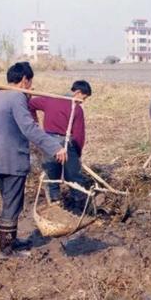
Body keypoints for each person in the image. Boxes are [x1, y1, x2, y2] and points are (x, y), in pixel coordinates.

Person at [0, 62, 66, 257]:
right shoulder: (16, 97)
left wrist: (27, 98)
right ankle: (6, 250)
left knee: (9, 201)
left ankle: (11, 241)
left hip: (0, 157)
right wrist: (55, 147)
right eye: (30, 83)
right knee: (12, 204)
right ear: (24, 80)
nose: (31, 86)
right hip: (14, 158)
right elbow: (29, 128)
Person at [29, 80, 92, 212]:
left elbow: (30, 104)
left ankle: (55, 206)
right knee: (73, 177)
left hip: (48, 143)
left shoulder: (50, 100)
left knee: (52, 176)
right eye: (83, 98)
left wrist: (34, 122)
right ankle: (77, 209)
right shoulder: (77, 109)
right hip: (66, 143)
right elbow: (79, 134)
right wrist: (77, 153)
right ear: (77, 92)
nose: (82, 102)